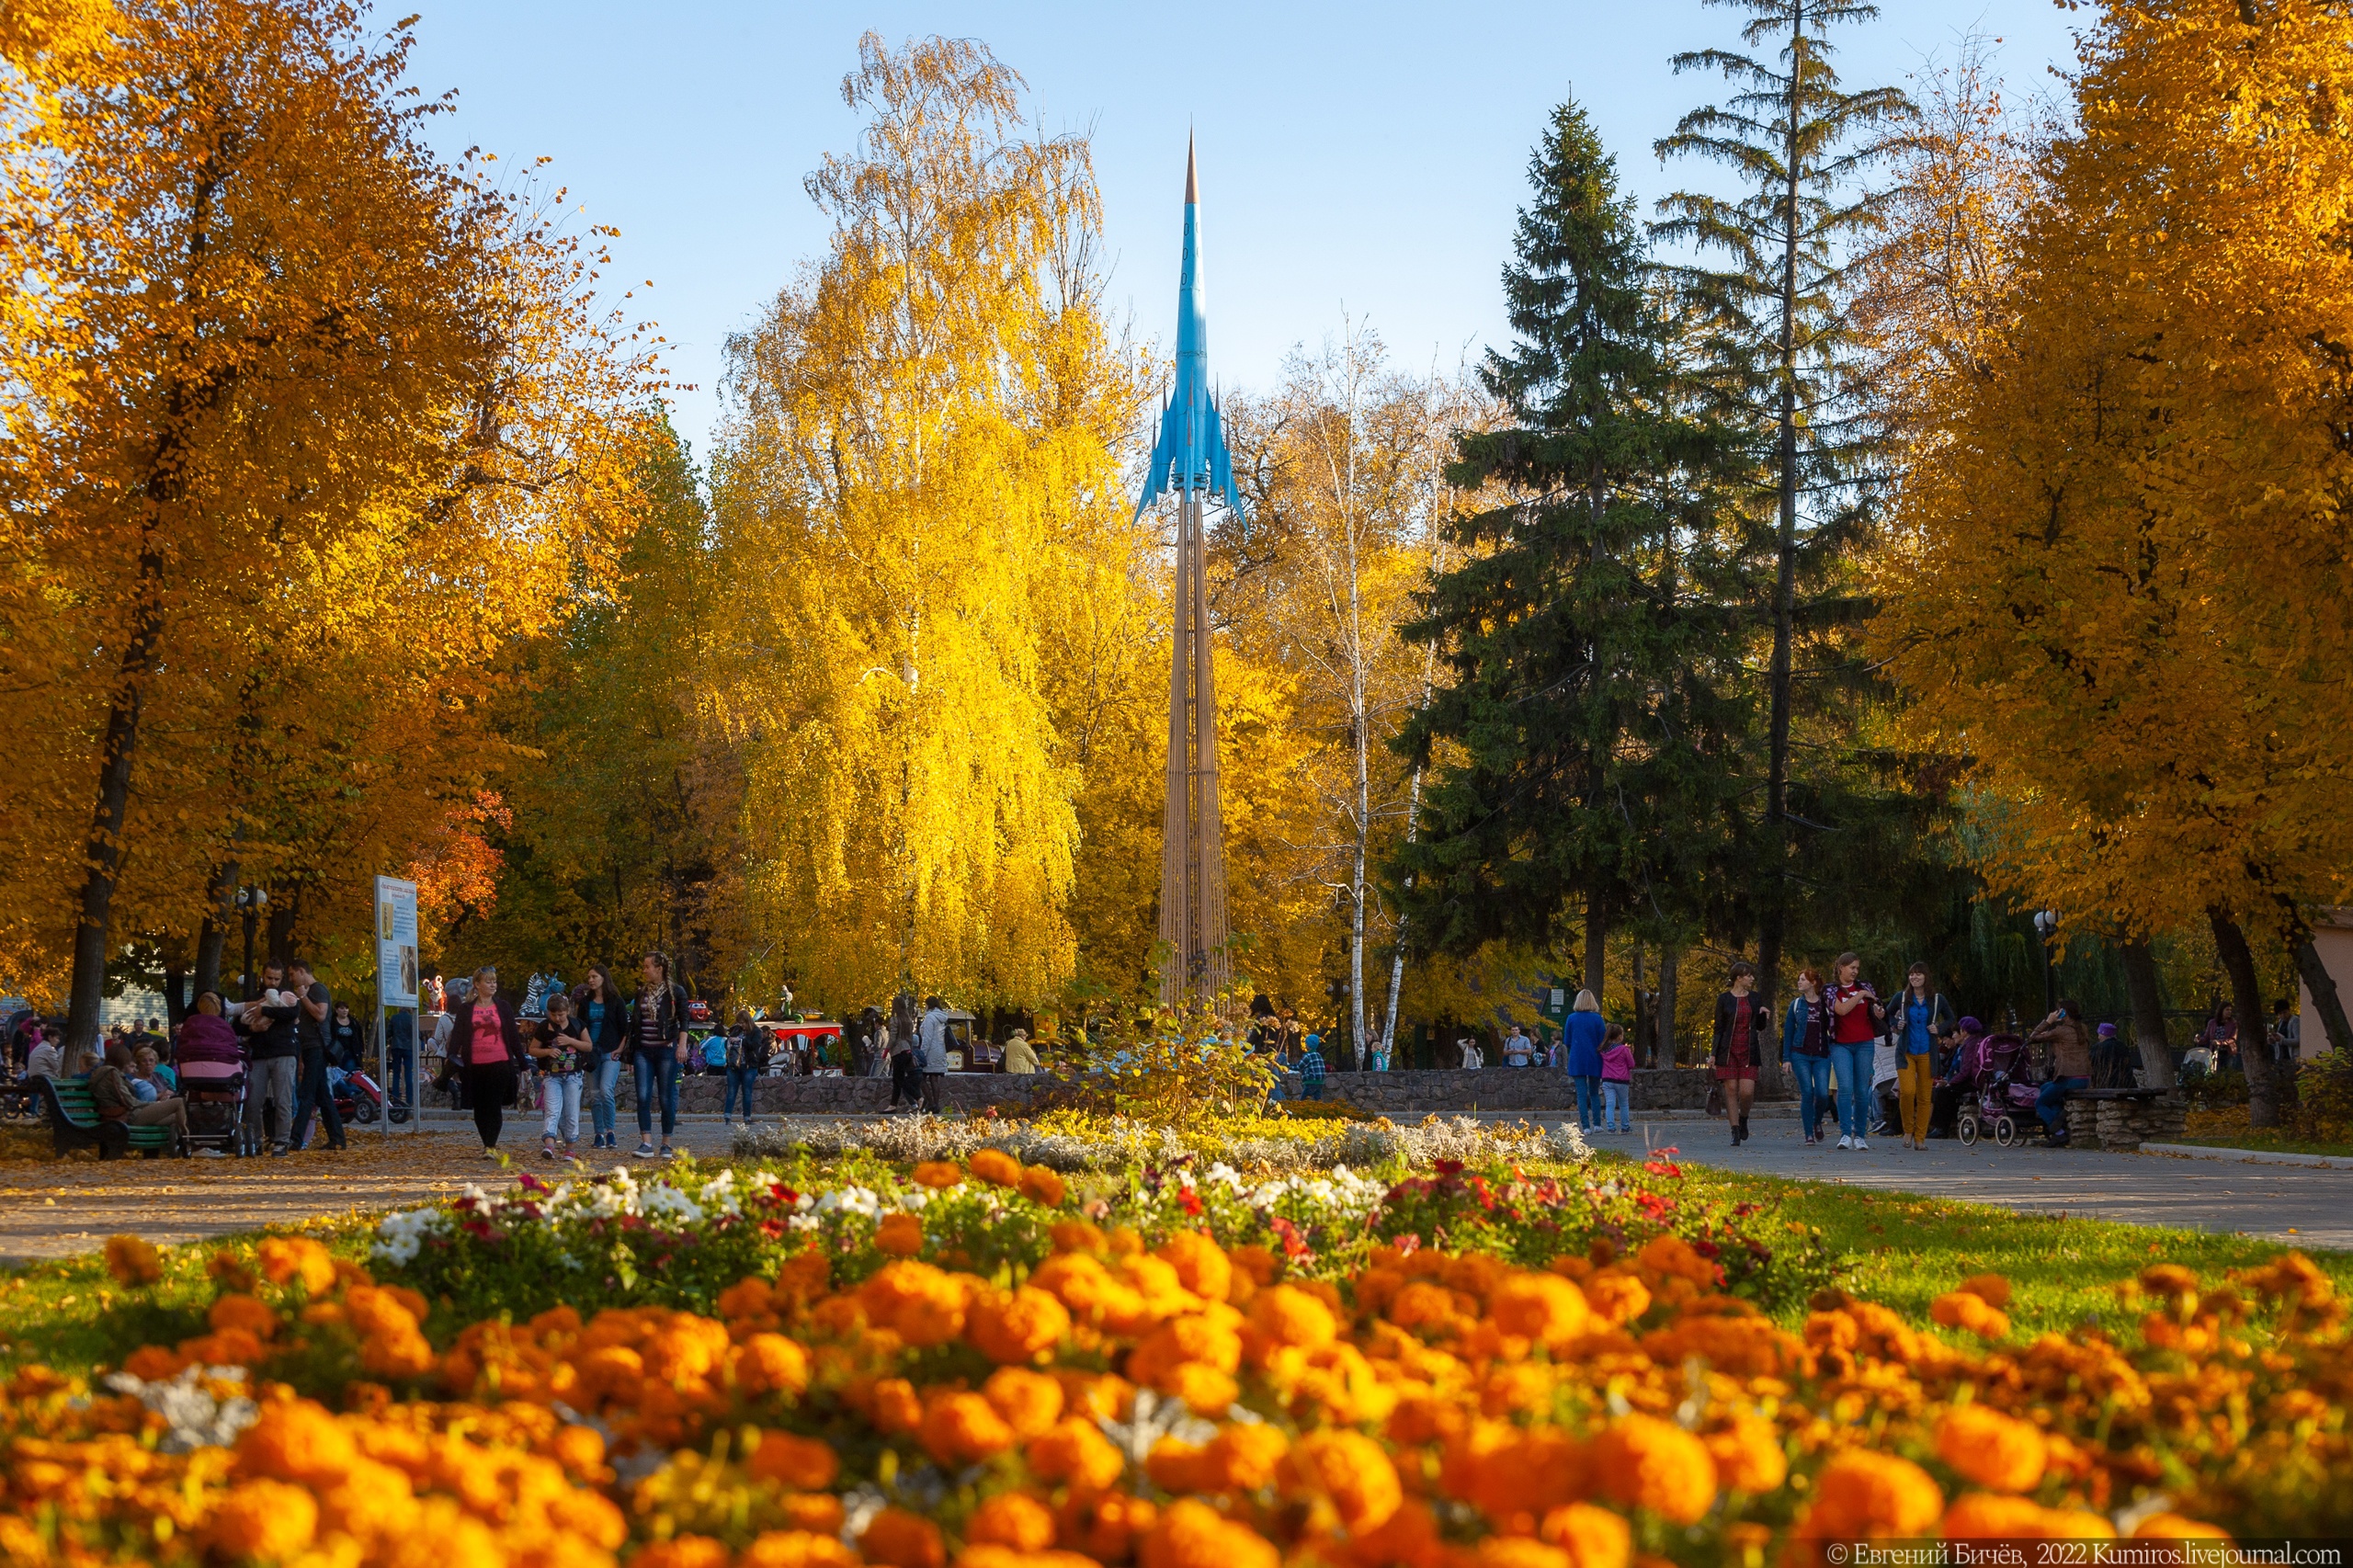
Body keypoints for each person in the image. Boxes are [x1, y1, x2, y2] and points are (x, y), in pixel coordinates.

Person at [450, 966, 524, 1158]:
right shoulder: (466, 1009)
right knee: (480, 1106)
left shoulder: (503, 1007)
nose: (493, 985)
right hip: (474, 1065)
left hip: (500, 1062)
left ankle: (491, 1145)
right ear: (477, 984)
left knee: (493, 1104)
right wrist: (450, 1058)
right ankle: (486, 1143)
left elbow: (514, 1038)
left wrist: (523, 1063)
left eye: (494, 981)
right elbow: (457, 1035)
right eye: (488, 981)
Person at [628, 952, 691, 1159]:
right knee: (643, 1096)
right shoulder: (642, 993)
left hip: (666, 1050)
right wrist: (629, 1054)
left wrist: (681, 1046)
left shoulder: (676, 992)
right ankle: (646, 1143)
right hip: (643, 1050)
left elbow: (684, 1020)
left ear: (659, 968)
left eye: (647, 966)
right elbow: (635, 1024)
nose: (644, 970)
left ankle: (666, 1143)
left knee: (666, 1098)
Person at [234, 963, 301, 1156]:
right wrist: (252, 1029)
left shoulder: (287, 997)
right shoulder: (254, 998)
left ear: (282, 979)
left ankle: (282, 1141)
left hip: (283, 1052)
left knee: (283, 1100)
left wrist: (264, 1011)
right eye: (269, 978)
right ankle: (255, 1139)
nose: (272, 982)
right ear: (263, 976)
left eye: (277, 978)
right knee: (254, 1101)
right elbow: (238, 1025)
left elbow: (292, 1013)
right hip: (260, 1054)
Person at [1890, 962, 1955, 1151]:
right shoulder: (1901, 998)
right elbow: (1888, 1015)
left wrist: (1939, 1029)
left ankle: (1920, 1138)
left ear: (1926, 977)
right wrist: (1897, 1023)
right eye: (1911, 974)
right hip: (1905, 1053)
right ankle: (1908, 1130)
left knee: (1925, 1097)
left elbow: (1950, 1018)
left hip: (1928, 1052)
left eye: (1918, 974)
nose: (1914, 977)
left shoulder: (1936, 999)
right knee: (1907, 1092)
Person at [286, 960, 346, 1153]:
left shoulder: (317, 990)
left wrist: (303, 997)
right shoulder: (309, 992)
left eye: (292, 974)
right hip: (310, 1049)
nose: (290, 979)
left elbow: (321, 1015)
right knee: (323, 1097)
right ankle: (337, 1139)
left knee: (306, 1095)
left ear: (302, 972)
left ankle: (295, 1139)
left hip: (318, 1049)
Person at [1824, 952, 1882, 1150]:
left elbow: (1876, 1008)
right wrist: (1860, 995)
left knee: (1861, 1089)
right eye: (1852, 968)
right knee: (1845, 1087)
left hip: (1865, 1042)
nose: (1855, 972)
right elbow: (1840, 1010)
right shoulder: (1831, 990)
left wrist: (1879, 1011)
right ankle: (1845, 1134)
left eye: (1858, 968)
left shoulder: (1865, 987)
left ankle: (1860, 1135)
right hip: (1841, 1043)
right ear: (1841, 968)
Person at [1711, 961, 1770, 1146]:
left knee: (1746, 1091)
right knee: (1730, 1090)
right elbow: (1718, 1028)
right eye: (1749, 975)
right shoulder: (1723, 999)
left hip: (1748, 1049)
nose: (1752, 978)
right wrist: (1713, 1053)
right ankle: (1735, 1130)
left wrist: (1763, 1016)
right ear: (1739, 977)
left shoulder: (1755, 998)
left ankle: (1743, 1117)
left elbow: (1760, 1027)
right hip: (1727, 1051)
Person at [91, 1040, 188, 1151]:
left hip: (127, 1113)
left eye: (152, 1061)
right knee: (179, 1102)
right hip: (129, 1115)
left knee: (177, 1117)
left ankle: (176, 1147)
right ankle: (187, 1139)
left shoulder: (105, 1073)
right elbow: (129, 1101)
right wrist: (154, 1104)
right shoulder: (112, 1074)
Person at [572, 965, 628, 1153]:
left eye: (594, 976)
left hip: (610, 1052)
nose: (591, 980)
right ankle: (598, 1134)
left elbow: (624, 1029)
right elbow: (579, 1028)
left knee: (606, 1090)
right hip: (591, 1053)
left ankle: (610, 1131)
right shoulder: (586, 1004)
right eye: (589, 977)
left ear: (604, 978)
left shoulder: (616, 1002)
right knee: (595, 1095)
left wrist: (620, 1050)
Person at [530, 992, 589, 1161]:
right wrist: (548, 1051)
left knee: (571, 1112)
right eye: (554, 1015)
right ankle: (549, 1144)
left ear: (568, 1011)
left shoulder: (577, 1025)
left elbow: (588, 1046)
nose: (557, 1018)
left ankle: (570, 1147)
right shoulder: (543, 1028)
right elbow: (533, 1049)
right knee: (552, 1110)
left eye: (561, 1015)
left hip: (573, 1075)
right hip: (552, 1076)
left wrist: (571, 1041)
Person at [2029, 998, 2094, 1143]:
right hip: (2084, 1078)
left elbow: (2032, 1037)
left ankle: (2059, 1132)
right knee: (2046, 1087)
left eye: (2059, 1010)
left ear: (2063, 1013)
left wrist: (2049, 1021)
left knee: (2040, 1103)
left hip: (2068, 1079)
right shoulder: (2083, 1028)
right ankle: (2059, 1116)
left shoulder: (2060, 1031)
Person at [1782, 969, 1833, 1145]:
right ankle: (1808, 1133)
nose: (1799, 982)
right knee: (1807, 1092)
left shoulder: (1825, 1005)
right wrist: (1786, 1058)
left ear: (1813, 983)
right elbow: (1788, 1032)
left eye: (1802, 979)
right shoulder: (1796, 1004)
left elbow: (1833, 1029)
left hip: (1821, 1055)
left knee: (1822, 1093)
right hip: (1800, 1054)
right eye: (1799, 979)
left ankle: (1817, 1122)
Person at [1930, 1017, 1989, 1137]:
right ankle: (1943, 1127)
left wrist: (1950, 1083)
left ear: (1965, 1031)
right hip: (1977, 1080)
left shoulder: (1970, 1045)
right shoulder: (1978, 1041)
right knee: (1947, 1091)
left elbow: (1966, 1070)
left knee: (1943, 1092)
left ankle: (1940, 1129)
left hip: (1972, 1082)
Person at [1563, 990, 1607, 1131]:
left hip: (1577, 1058)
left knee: (1581, 1094)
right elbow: (1603, 1041)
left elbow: (1567, 1041)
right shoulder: (1597, 1019)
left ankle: (1586, 1126)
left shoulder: (1571, 1018)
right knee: (1594, 1093)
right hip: (1594, 1058)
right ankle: (1597, 1124)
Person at [723, 1010, 767, 1127]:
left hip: (749, 1066)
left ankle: (747, 1117)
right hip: (734, 1065)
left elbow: (755, 1045)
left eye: (743, 1023)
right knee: (732, 1091)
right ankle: (727, 1115)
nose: (741, 1025)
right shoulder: (736, 1030)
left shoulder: (757, 1032)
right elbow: (727, 1043)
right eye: (739, 1023)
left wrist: (741, 1041)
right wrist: (729, 1042)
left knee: (747, 1091)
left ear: (748, 1021)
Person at [916, 995, 950, 1113]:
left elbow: (927, 1038)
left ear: (929, 1005)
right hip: (940, 1051)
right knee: (934, 1079)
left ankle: (931, 1103)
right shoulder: (942, 1018)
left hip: (930, 1051)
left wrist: (922, 1054)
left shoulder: (930, 1018)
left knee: (920, 1078)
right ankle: (935, 1105)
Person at [1598, 1024, 1633, 1134]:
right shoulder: (1624, 1049)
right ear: (1619, 1036)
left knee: (1610, 1104)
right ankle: (1625, 1127)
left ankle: (1611, 1127)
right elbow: (1631, 1064)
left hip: (1607, 1079)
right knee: (1623, 1104)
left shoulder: (1603, 1050)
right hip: (1622, 1080)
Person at [2196, 1004, 2239, 1075]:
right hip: (2215, 1052)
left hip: (2228, 1052)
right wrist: (2199, 1040)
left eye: (2230, 1010)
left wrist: (2220, 1042)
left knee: (2228, 1074)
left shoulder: (2233, 1023)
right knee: (2215, 1073)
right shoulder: (2212, 1023)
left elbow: (2233, 1039)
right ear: (2221, 1010)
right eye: (2227, 1010)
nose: (2229, 1012)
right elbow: (2206, 1037)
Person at [328, 1004, 366, 1073]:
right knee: (338, 1078)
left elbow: (359, 1037)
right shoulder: (332, 1022)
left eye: (346, 1008)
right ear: (336, 1010)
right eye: (342, 1008)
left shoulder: (354, 1022)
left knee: (351, 1075)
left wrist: (361, 1050)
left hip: (351, 1054)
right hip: (336, 1055)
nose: (345, 1010)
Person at [1298, 1032, 1327, 1099]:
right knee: (1317, 1101)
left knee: (1302, 1101)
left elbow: (1299, 1066)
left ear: (1309, 1045)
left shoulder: (1308, 1056)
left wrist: (1287, 1066)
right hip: (1320, 1082)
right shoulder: (1318, 1055)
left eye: (1306, 1044)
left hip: (1311, 1081)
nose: (1305, 1045)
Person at [2270, 997, 2301, 1062]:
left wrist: (2282, 1040)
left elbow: (2298, 1041)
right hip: (2282, 1057)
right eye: (2280, 1013)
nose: (2283, 1015)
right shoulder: (2281, 1022)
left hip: (2293, 1058)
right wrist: (2274, 1040)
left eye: (2285, 1012)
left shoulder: (2295, 1021)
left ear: (2289, 1010)